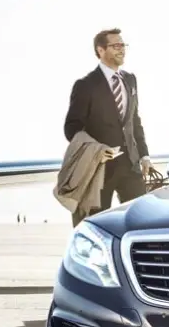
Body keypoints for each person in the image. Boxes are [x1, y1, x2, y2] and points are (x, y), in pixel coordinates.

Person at [63, 28, 153, 225]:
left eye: (123, 45)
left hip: (131, 165)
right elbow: (71, 127)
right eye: (116, 45)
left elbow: (134, 121)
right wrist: (96, 149)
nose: (122, 49)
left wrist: (144, 155)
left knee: (141, 221)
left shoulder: (130, 80)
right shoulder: (85, 85)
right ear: (101, 50)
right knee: (95, 224)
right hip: (98, 169)